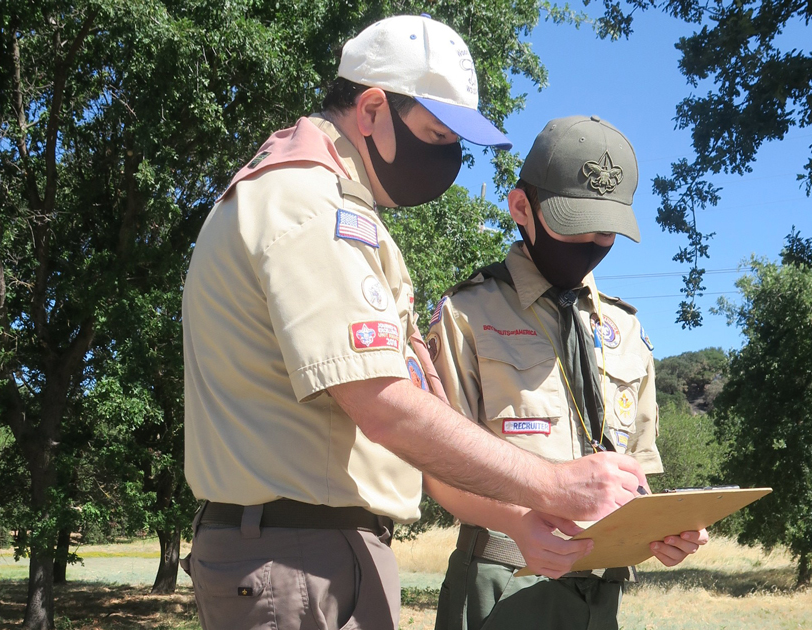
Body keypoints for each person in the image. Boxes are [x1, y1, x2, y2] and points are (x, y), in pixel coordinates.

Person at [181, 16, 650, 630]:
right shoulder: (310, 205)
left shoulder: (317, 197)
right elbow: (384, 403)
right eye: (435, 133)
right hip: (299, 553)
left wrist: (525, 514)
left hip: (311, 548)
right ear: (372, 108)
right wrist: (553, 486)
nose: (449, 159)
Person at [425, 115, 709, 630]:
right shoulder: (469, 314)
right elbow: (439, 472)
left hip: (602, 596)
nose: (591, 242)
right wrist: (521, 524)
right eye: (572, 224)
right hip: (501, 583)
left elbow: (636, 478)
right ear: (520, 209)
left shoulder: (626, 330)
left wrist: (664, 532)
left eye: (605, 230)